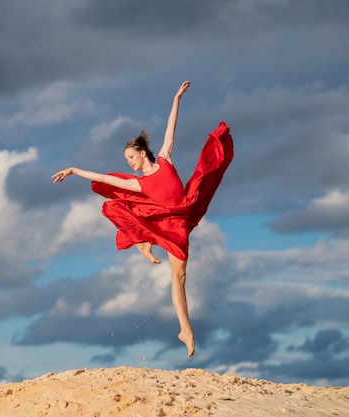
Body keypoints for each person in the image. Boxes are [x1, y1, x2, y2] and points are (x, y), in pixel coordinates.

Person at [51, 81, 233, 358]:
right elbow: (103, 178)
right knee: (131, 218)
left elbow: (172, 128)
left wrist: (176, 99)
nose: (129, 162)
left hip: (181, 222)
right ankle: (146, 248)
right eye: (126, 159)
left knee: (180, 277)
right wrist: (75, 169)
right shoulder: (139, 184)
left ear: (143, 153)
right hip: (164, 223)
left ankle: (183, 327)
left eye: (131, 157)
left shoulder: (164, 159)